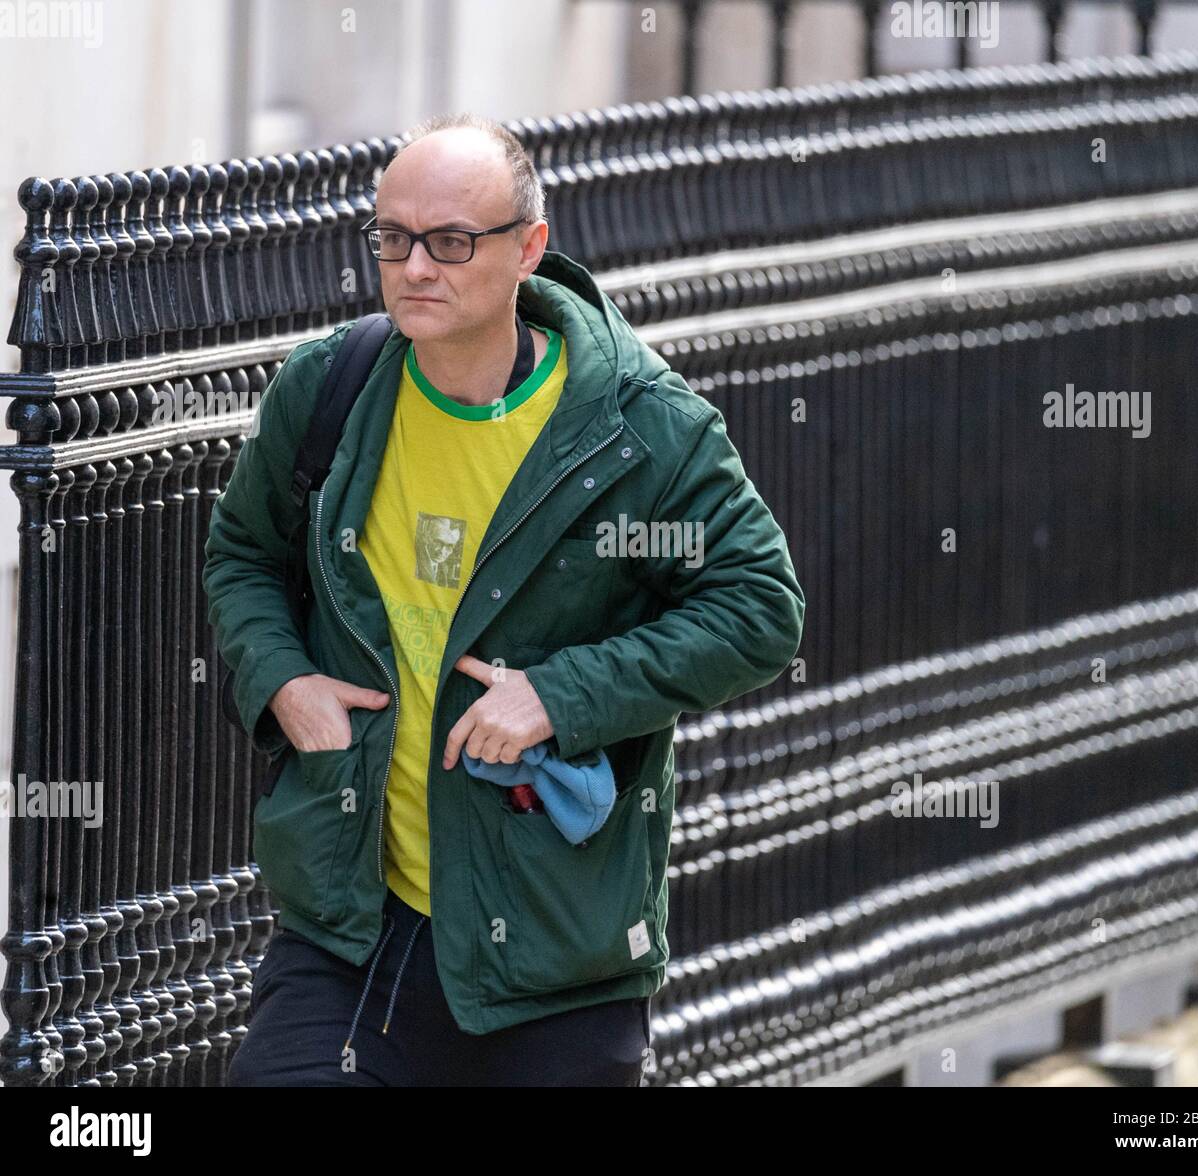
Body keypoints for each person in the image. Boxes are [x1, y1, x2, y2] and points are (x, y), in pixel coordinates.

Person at [204, 112, 805, 1086]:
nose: (414, 268)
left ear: (528, 250)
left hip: (554, 957)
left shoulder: (641, 429)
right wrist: (284, 681)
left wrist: (562, 697)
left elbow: (757, 610)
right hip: (357, 932)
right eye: (391, 239)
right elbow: (242, 554)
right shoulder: (331, 388)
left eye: (450, 241)